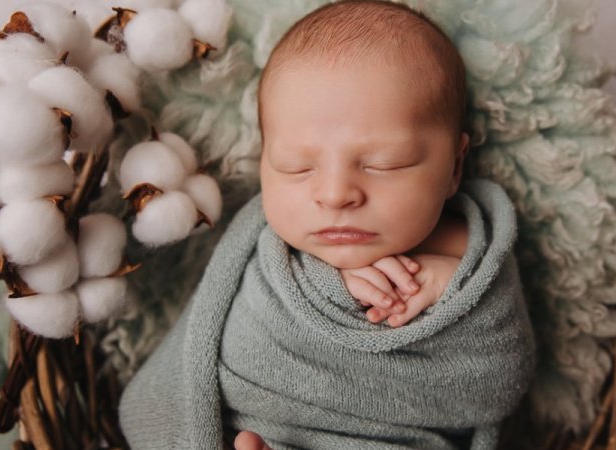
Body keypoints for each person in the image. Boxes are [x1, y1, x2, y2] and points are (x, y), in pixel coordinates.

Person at [119, 1, 535, 449]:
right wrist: (329, 284)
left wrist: (457, 295)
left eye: (384, 163)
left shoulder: (472, 256)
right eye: (296, 167)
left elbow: (500, 384)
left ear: (454, 166)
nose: (336, 194)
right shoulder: (266, 251)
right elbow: (215, 357)